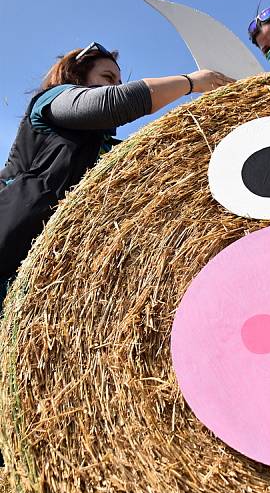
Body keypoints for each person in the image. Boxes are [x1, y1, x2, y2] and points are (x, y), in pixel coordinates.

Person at [0, 42, 233, 307]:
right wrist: (191, 82)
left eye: (120, 81)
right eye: (107, 78)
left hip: (52, 278)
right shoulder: (52, 102)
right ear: (76, 76)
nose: (116, 86)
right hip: (11, 247)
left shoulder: (108, 151)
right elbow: (113, 103)